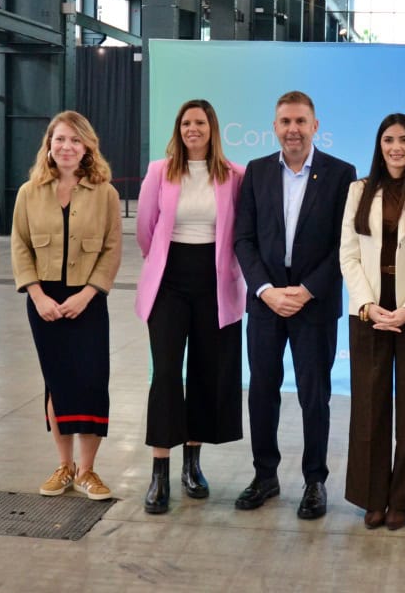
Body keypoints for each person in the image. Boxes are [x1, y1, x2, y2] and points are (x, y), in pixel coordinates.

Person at [233, 91, 357, 520]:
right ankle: (265, 476)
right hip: (266, 302)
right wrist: (266, 290)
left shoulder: (342, 175)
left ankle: (314, 482)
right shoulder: (256, 172)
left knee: (314, 395)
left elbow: (346, 243)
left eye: (301, 121)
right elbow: (242, 239)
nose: (293, 129)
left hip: (314, 303)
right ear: (274, 126)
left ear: (315, 126)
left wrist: (306, 290)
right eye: (285, 121)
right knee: (262, 392)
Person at [135, 99, 246, 514]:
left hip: (214, 284)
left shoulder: (235, 175)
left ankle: (192, 466)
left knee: (204, 373)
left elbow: (240, 232)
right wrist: (165, 263)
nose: (192, 129)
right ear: (178, 129)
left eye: (199, 122)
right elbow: (146, 230)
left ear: (212, 128)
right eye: (185, 123)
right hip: (169, 282)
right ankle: (159, 472)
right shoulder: (159, 172)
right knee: (165, 373)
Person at [339, 113, 405, 530]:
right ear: (378, 145)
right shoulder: (359, 191)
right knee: (369, 407)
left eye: (404, 140)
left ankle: (404, 498)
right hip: (369, 315)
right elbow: (347, 254)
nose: (396, 147)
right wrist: (367, 305)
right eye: (388, 140)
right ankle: (372, 497)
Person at [10, 110, 122, 502]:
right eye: (59, 139)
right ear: (49, 145)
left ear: (87, 146)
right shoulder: (29, 192)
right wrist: (38, 296)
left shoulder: (105, 193)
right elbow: (20, 247)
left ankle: (89, 470)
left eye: (75, 140)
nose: (67, 147)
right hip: (44, 302)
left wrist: (87, 294)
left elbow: (110, 251)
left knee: (90, 381)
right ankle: (64, 465)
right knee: (57, 382)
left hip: (87, 300)